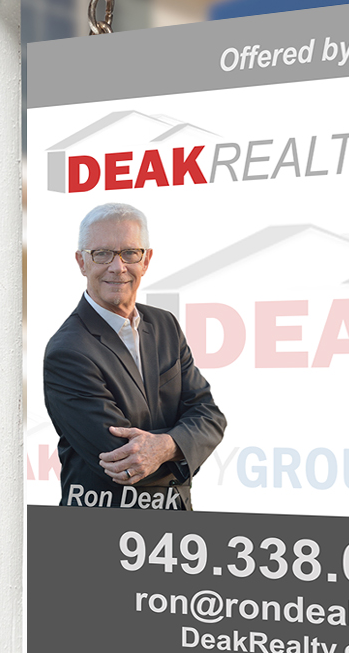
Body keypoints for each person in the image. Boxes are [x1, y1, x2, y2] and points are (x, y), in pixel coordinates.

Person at [43, 202, 226, 509]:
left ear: (147, 260)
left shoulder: (165, 325)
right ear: (81, 262)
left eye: (130, 253)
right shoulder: (68, 351)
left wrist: (165, 446)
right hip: (100, 534)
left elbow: (210, 417)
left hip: (175, 530)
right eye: (102, 253)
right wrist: (185, 443)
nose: (118, 267)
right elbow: (124, 464)